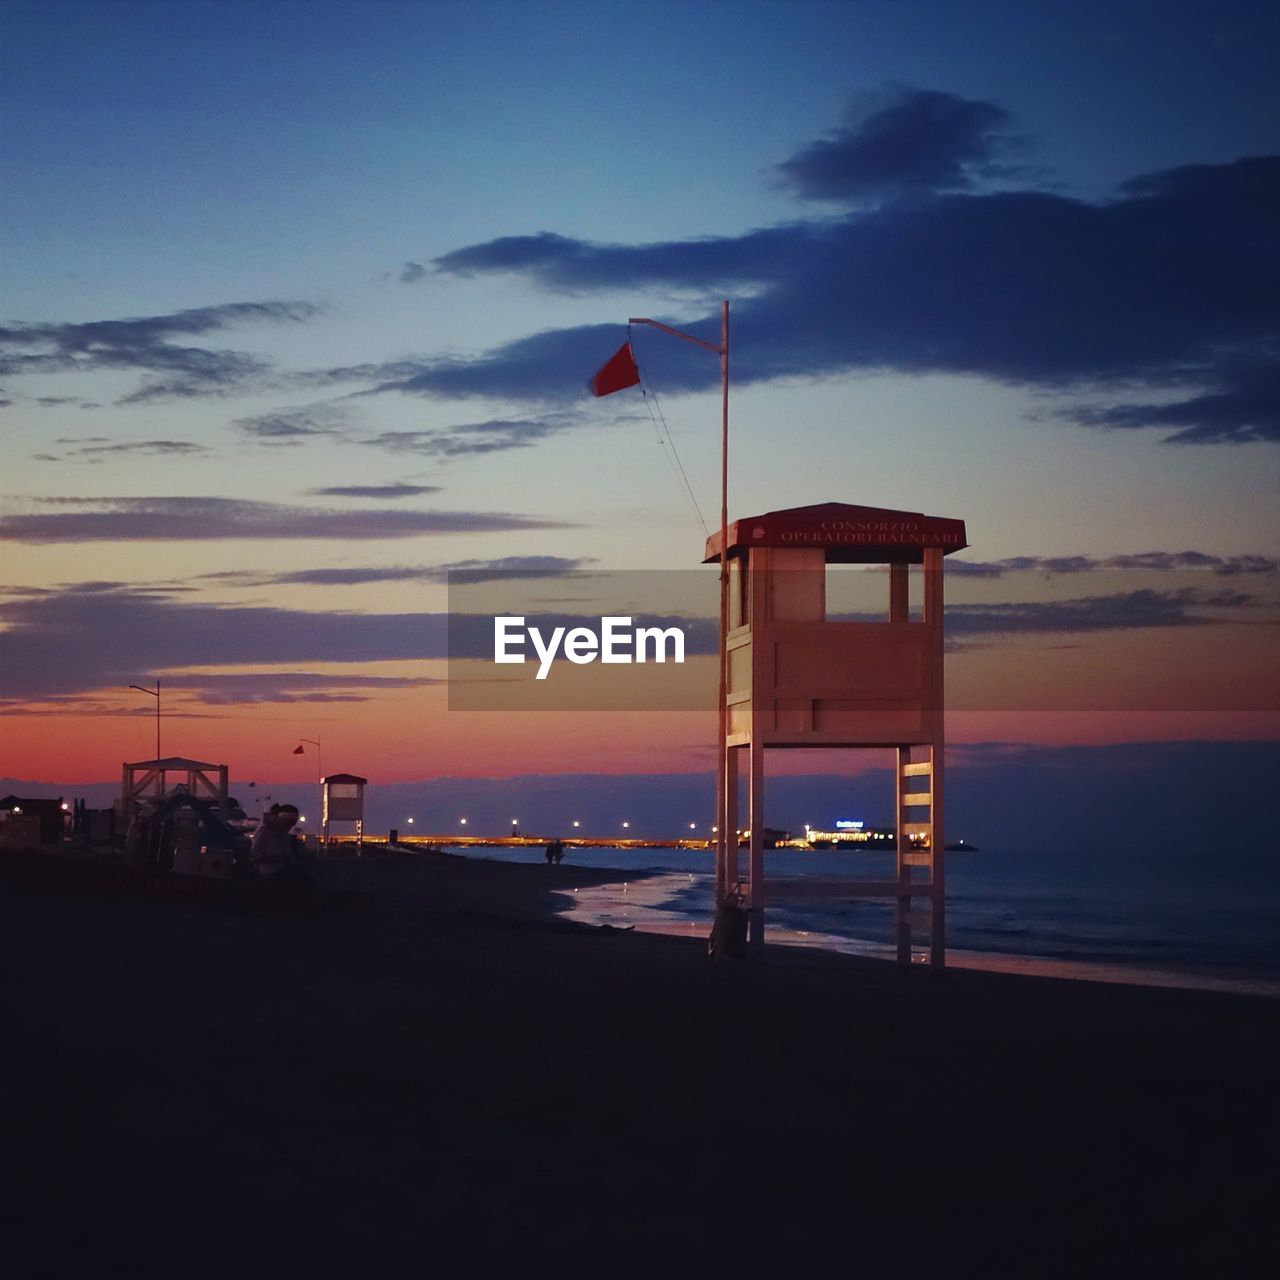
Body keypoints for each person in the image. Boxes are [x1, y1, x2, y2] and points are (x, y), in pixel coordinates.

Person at [250, 803, 308, 882]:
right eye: (288, 824)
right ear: (280, 819)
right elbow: (254, 857)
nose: (289, 827)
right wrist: (280, 858)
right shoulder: (263, 832)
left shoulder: (283, 832)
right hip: (269, 873)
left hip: (283, 870)